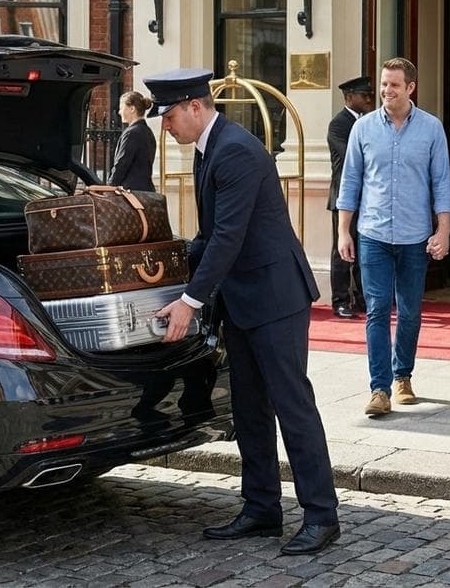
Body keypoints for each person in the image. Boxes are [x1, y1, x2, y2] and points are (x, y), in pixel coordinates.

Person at [147, 68, 340, 556]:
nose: (165, 128)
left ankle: (321, 515)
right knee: (250, 410)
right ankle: (261, 509)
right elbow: (210, 235)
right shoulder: (206, 149)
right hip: (242, 299)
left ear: (195, 106)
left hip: (275, 298)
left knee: (292, 407)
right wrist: (160, 262)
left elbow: (229, 237)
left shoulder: (234, 149)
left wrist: (189, 302)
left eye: (168, 117)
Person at [336, 57, 450, 418]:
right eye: (384, 85)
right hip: (372, 233)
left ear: (411, 88)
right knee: (376, 310)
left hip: (414, 237)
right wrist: (344, 231)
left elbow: (441, 183)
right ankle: (379, 388)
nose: (386, 91)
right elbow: (350, 181)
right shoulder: (364, 128)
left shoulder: (431, 129)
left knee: (411, 311)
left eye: (394, 85)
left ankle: (403, 375)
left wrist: (443, 229)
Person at [327, 76, 373, 319]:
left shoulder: (370, 122)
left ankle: (363, 298)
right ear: (349, 97)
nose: (368, 99)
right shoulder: (339, 124)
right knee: (342, 250)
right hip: (343, 197)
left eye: (369, 95)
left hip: (367, 198)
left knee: (365, 249)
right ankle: (341, 300)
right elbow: (352, 159)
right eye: (363, 95)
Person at [108, 91, 157, 191]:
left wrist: (109, 188)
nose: (119, 112)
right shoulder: (148, 132)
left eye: (122, 108)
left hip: (131, 193)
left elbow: (121, 165)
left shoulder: (131, 133)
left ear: (132, 109)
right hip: (146, 191)